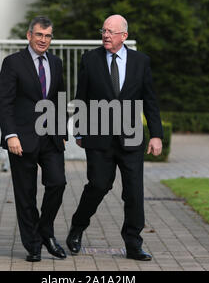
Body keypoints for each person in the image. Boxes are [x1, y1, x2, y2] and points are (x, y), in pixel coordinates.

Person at [66, 15, 163, 261]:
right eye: (104, 31)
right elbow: (82, 96)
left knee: (134, 192)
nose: (106, 35)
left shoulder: (141, 62)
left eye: (111, 31)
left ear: (124, 36)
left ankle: (133, 244)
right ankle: (77, 227)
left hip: (130, 138)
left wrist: (156, 135)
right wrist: (79, 130)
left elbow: (150, 100)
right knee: (99, 185)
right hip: (99, 137)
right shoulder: (90, 59)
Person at [0, 16, 68, 262]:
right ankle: (33, 245)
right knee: (26, 194)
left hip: (51, 139)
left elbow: (59, 99)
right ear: (29, 36)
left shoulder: (56, 63)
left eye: (48, 36)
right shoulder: (13, 63)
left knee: (57, 183)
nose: (44, 40)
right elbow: (3, 103)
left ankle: (45, 231)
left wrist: (62, 133)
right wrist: (10, 135)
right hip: (21, 139)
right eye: (39, 35)